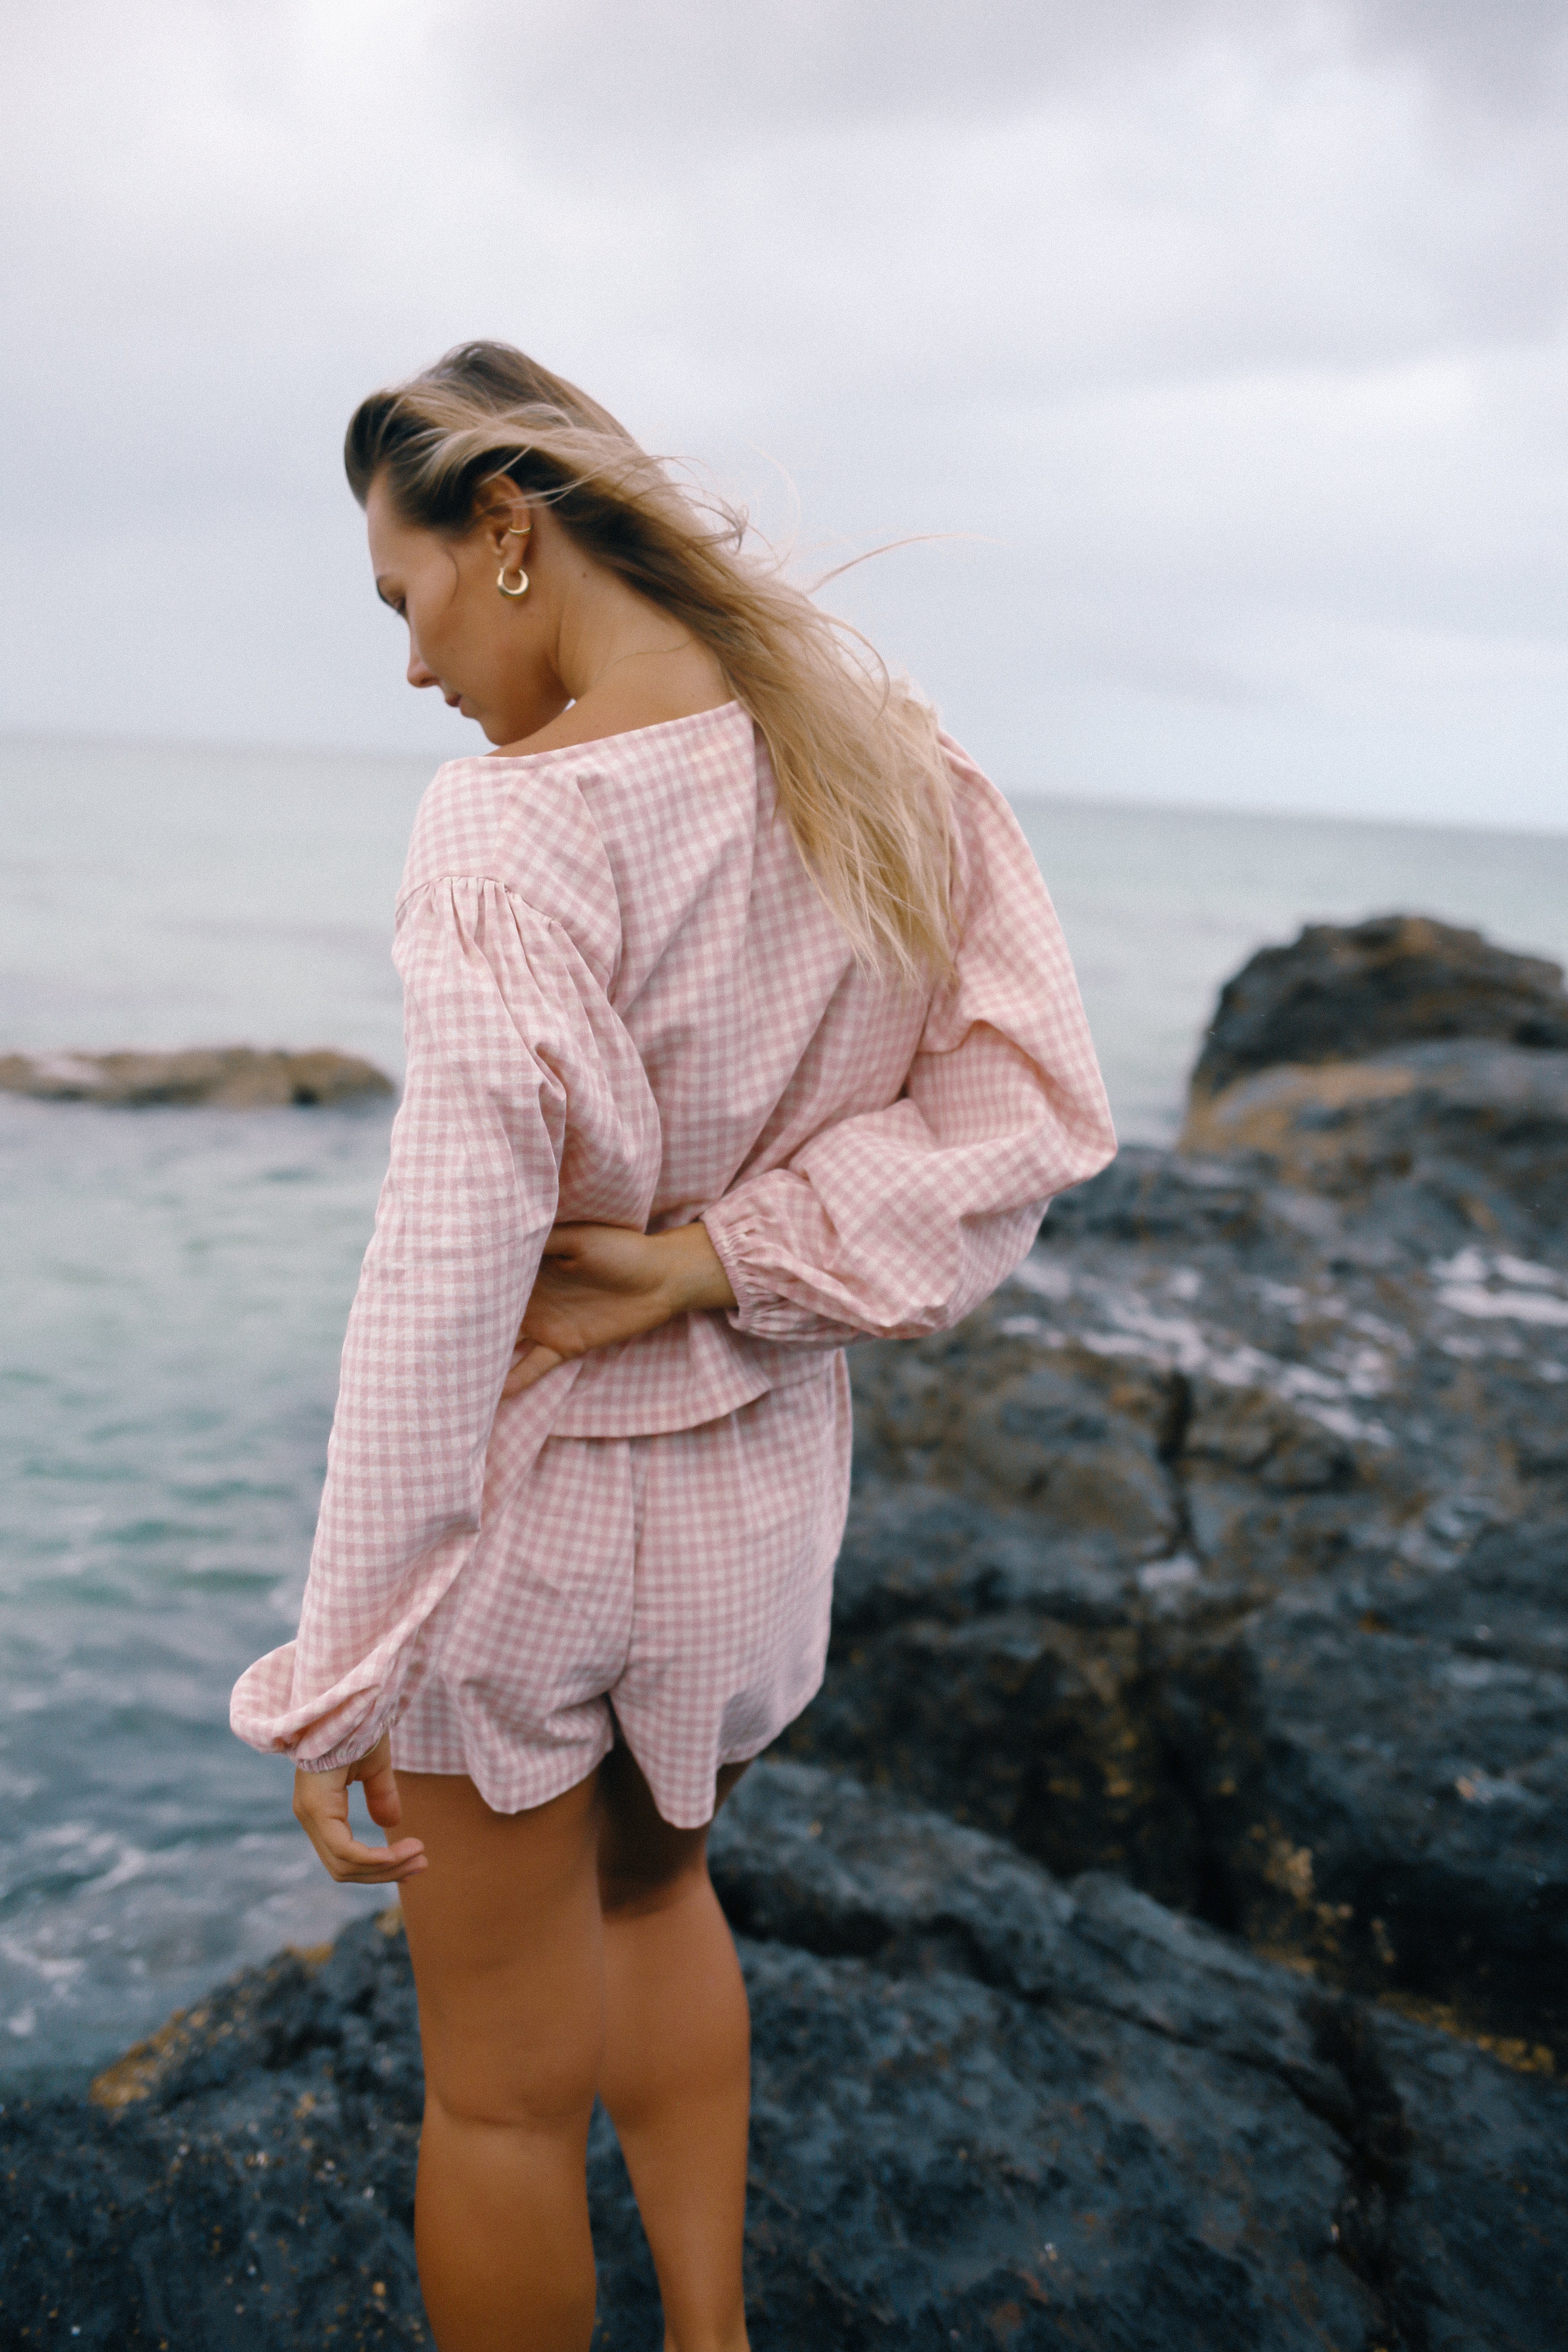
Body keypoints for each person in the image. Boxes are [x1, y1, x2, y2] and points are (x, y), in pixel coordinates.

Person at [231, 340, 1116, 2352]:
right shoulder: (875, 746)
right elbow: (1029, 1112)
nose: (412, 666)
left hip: (533, 1534)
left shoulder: (508, 834)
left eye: (405, 597)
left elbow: (443, 1280)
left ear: (509, 533)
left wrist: (336, 1671)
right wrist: (722, 1263)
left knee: (496, 2099)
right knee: (657, 1901)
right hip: (752, 1521)